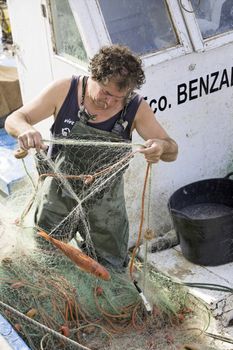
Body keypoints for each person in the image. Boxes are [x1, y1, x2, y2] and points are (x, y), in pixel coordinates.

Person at [5, 44, 178, 270]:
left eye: (119, 98)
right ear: (93, 76)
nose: (110, 102)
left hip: (107, 205)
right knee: (45, 256)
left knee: (109, 268)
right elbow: (15, 119)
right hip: (58, 193)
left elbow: (172, 150)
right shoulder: (65, 90)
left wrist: (160, 146)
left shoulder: (136, 108)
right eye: (105, 93)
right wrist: (25, 129)